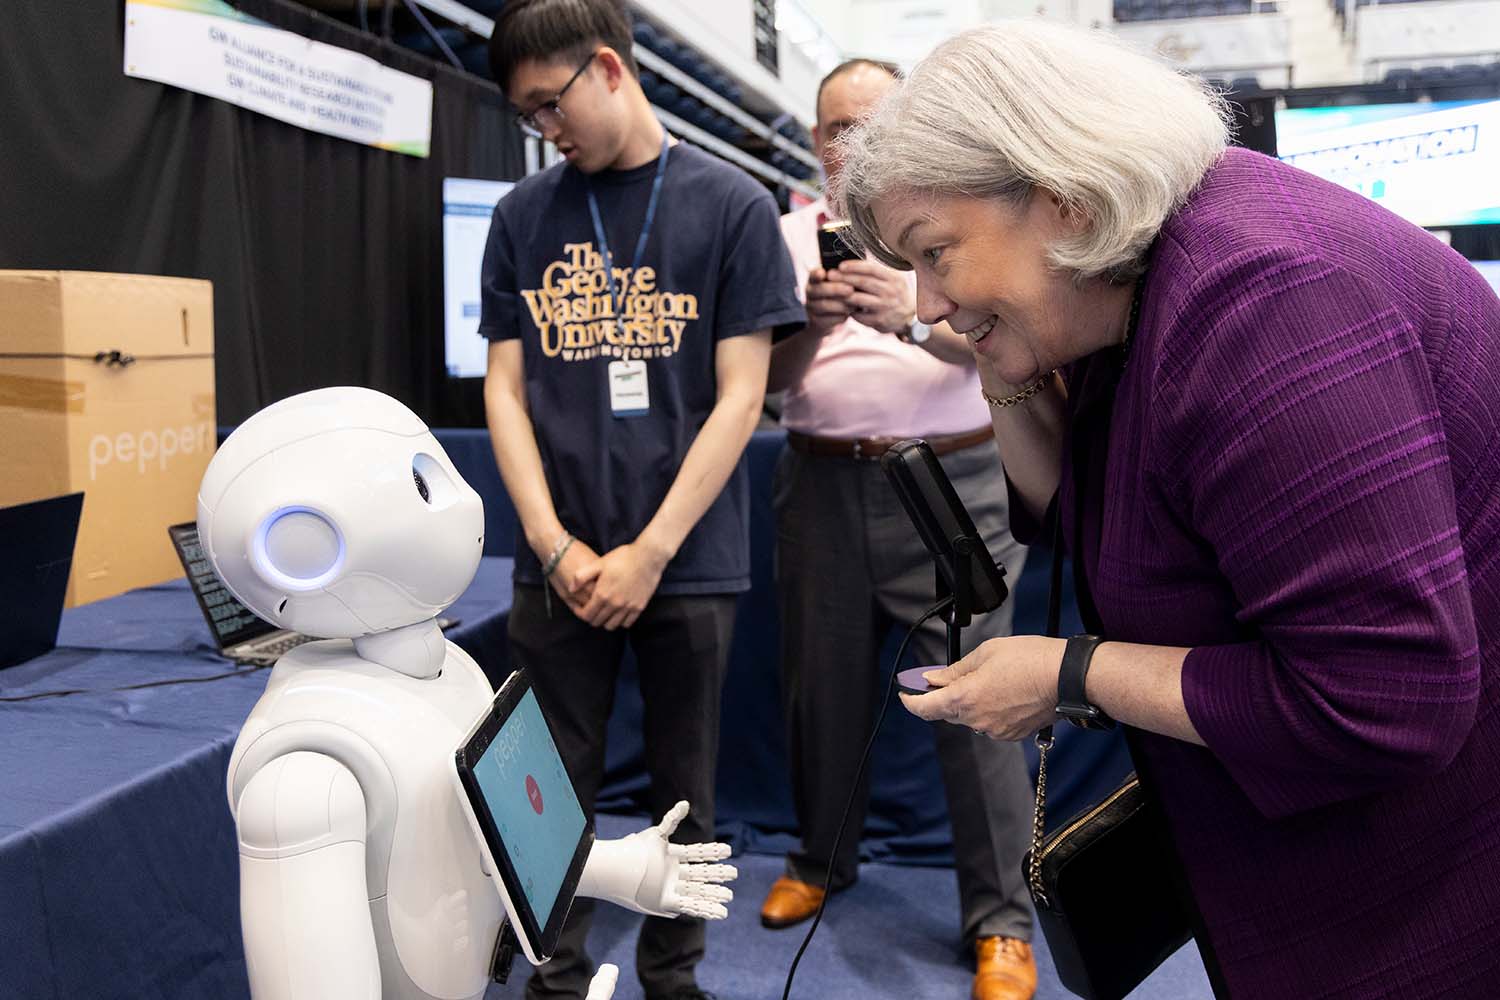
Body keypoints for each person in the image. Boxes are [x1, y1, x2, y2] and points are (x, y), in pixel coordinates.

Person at [833, 19, 1500, 999]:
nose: (925, 300)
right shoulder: (1136, 281)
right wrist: (997, 352)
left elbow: (1383, 699)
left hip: (1431, 888)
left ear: (1059, 196)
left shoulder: (1269, 305)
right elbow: (1080, 513)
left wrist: (1072, 672)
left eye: (935, 252)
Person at [478, 2, 806, 997]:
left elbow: (742, 394)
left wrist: (651, 551)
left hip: (689, 557)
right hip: (559, 556)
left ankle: (674, 974)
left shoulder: (733, 206)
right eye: (528, 118)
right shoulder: (521, 217)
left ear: (610, 69)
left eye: (551, 104)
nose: (547, 131)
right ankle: (555, 972)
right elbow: (504, 386)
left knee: (686, 785)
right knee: (551, 782)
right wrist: (552, 542)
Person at [761, 59, 1037, 1000]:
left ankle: (1002, 923)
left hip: (952, 478)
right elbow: (760, 384)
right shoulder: (789, 235)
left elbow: (1022, 341)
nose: (851, 143)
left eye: (870, 122)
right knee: (821, 695)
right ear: (813, 143)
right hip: (822, 482)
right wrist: (805, 322)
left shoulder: (954, 228)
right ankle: (820, 862)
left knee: (979, 704)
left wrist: (912, 323)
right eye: (835, 128)